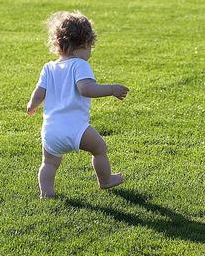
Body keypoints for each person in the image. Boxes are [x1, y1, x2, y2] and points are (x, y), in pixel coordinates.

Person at [26, 11, 129, 198]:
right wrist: (112, 89)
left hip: (50, 129)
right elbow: (86, 89)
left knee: (49, 163)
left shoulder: (48, 67)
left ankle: (46, 193)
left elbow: (39, 93)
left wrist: (32, 106)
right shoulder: (80, 65)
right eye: (90, 47)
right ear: (85, 44)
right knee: (99, 149)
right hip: (75, 128)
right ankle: (106, 180)